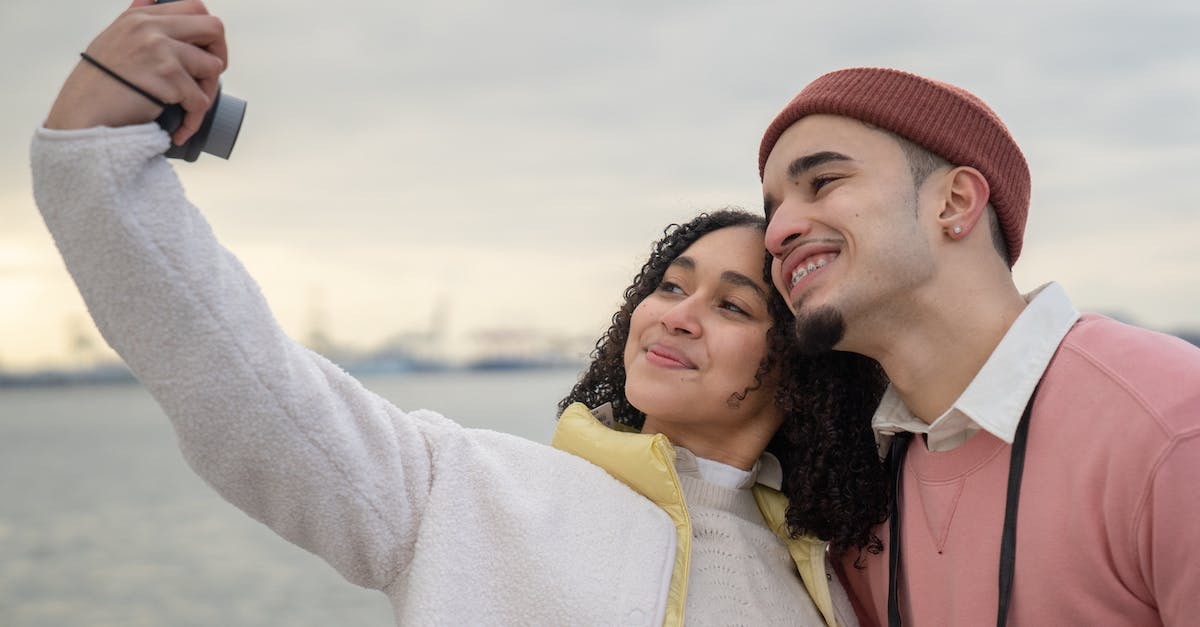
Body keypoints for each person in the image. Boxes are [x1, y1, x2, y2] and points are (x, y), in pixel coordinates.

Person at [30, 2, 891, 624]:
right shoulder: (470, 493)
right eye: (669, 285)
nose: (676, 314)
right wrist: (94, 157)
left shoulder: (833, 581)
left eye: (732, 304)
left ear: (800, 368)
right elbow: (244, 381)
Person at [757, 66, 1200, 626]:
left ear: (956, 202)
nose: (776, 234)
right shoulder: (855, 496)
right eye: (773, 211)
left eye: (823, 182)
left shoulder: (1171, 424)